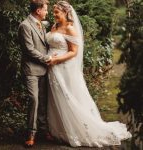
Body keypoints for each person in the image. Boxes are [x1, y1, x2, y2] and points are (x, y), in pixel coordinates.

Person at [46, 1, 132, 147]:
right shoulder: (54, 26)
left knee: (69, 97)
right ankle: (59, 130)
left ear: (66, 13)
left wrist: (56, 59)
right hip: (52, 68)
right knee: (56, 98)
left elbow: (74, 52)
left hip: (63, 67)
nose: (54, 15)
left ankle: (76, 130)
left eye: (57, 12)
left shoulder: (70, 28)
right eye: (53, 12)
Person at [18, 0, 52, 147]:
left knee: (43, 101)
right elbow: (29, 49)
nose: (47, 12)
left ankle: (43, 130)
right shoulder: (24, 25)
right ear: (38, 10)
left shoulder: (42, 24)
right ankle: (31, 133)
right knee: (34, 100)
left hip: (44, 69)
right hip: (31, 69)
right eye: (45, 9)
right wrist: (46, 59)